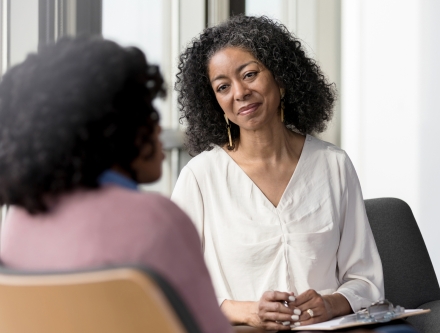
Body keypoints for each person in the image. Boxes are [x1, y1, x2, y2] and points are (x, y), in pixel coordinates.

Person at [0, 36, 233, 333]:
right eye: (149, 113)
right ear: (118, 128)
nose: (158, 128)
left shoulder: (20, 220)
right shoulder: (156, 220)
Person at [171, 15, 384, 331]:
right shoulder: (200, 178)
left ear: (281, 79)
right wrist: (248, 311)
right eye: (223, 86)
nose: (240, 92)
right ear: (214, 101)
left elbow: (365, 279)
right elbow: (175, 285)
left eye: (250, 74)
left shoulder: (333, 165)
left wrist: (330, 303)